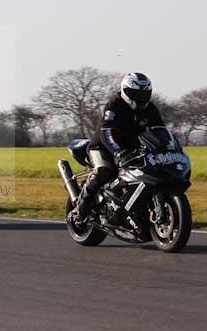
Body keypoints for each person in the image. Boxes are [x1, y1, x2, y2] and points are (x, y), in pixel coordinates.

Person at [70, 72, 165, 224]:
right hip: (103, 147)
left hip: (132, 149)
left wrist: (166, 147)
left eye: (144, 94)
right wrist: (119, 152)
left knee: (151, 171)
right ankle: (81, 210)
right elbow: (107, 132)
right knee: (103, 171)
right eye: (135, 93)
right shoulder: (114, 105)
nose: (140, 98)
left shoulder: (150, 109)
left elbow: (160, 130)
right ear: (125, 91)